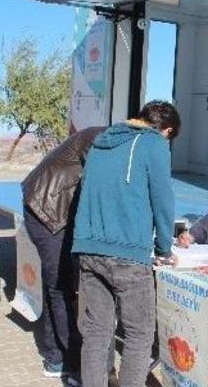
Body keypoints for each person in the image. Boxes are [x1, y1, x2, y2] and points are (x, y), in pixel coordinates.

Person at [72, 100, 180, 387]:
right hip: (128, 254)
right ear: (166, 130)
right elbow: (163, 198)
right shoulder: (155, 143)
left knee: (96, 332)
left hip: (89, 247)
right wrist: (164, 248)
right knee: (139, 334)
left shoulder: (100, 142)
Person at [21, 125, 105, 380]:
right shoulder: (100, 138)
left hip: (55, 211)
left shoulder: (107, 140)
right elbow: (98, 184)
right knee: (60, 286)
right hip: (46, 211)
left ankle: (55, 356)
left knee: (58, 286)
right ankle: (71, 361)